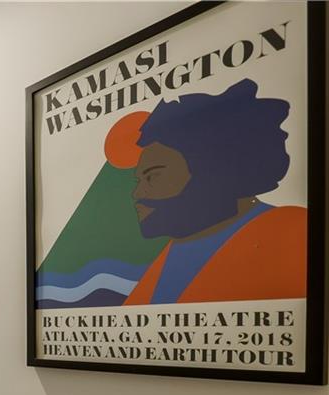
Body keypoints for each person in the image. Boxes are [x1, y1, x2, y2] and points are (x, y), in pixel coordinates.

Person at [118, 78, 306, 305]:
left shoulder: (294, 230)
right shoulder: (176, 249)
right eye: (139, 180)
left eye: (153, 176)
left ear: (213, 168)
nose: (137, 193)